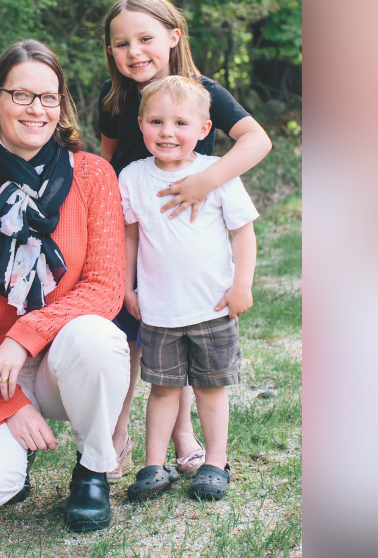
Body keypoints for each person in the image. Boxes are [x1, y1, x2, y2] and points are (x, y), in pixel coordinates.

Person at [0, 39, 129, 532]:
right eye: (22, 95)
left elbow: (106, 286)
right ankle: (13, 459)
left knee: (97, 337)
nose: (36, 109)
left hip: (65, 360)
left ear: (61, 105)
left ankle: (91, 470)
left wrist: (26, 337)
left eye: (48, 97)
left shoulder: (93, 176)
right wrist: (12, 406)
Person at [98, 0, 272, 480]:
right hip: (137, 220)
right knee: (133, 336)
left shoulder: (204, 90)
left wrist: (207, 181)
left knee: (186, 326)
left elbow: (258, 139)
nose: (134, 51)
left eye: (146, 38)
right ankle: (117, 434)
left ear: (173, 37)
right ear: (111, 52)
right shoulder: (114, 100)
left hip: (190, 224)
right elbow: (109, 160)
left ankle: (183, 435)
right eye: (121, 43)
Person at [119, 76, 259, 501]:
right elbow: (129, 237)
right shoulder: (133, 177)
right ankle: (153, 465)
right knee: (162, 389)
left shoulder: (213, 174)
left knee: (210, 389)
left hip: (212, 306)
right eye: (156, 121)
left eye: (180, 123)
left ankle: (215, 461)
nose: (167, 132)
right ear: (141, 124)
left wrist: (242, 285)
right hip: (159, 309)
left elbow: (244, 232)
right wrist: (128, 288)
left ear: (203, 128)